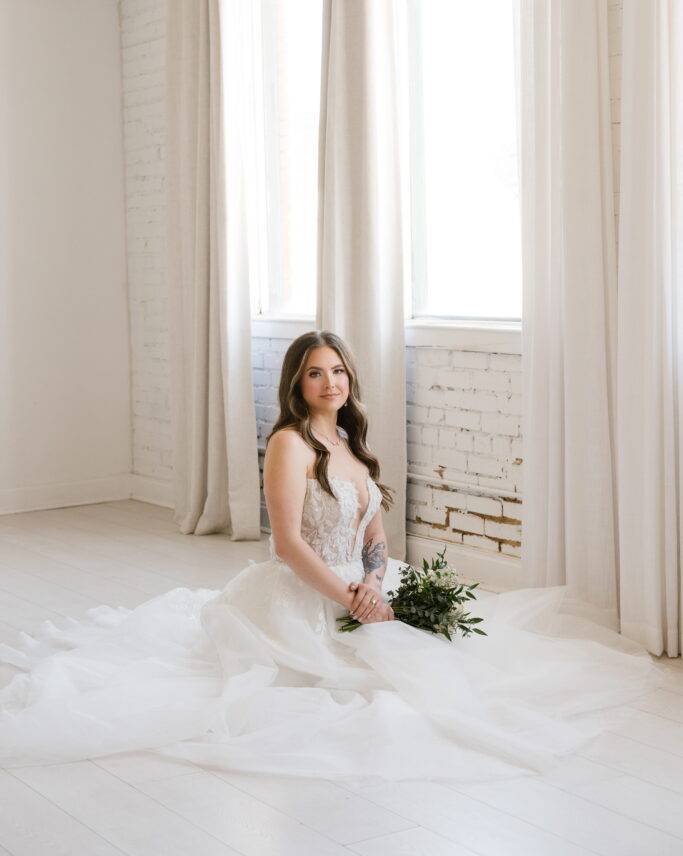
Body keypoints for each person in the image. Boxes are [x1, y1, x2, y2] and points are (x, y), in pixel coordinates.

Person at [0, 331, 667, 782]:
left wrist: (375, 580)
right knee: (358, 680)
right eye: (315, 372)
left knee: (457, 656)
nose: (330, 381)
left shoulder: (351, 442)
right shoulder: (289, 444)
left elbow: (374, 533)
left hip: (360, 580)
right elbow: (288, 543)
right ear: (297, 381)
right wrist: (349, 598)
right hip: (301, 589)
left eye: (338, 370)